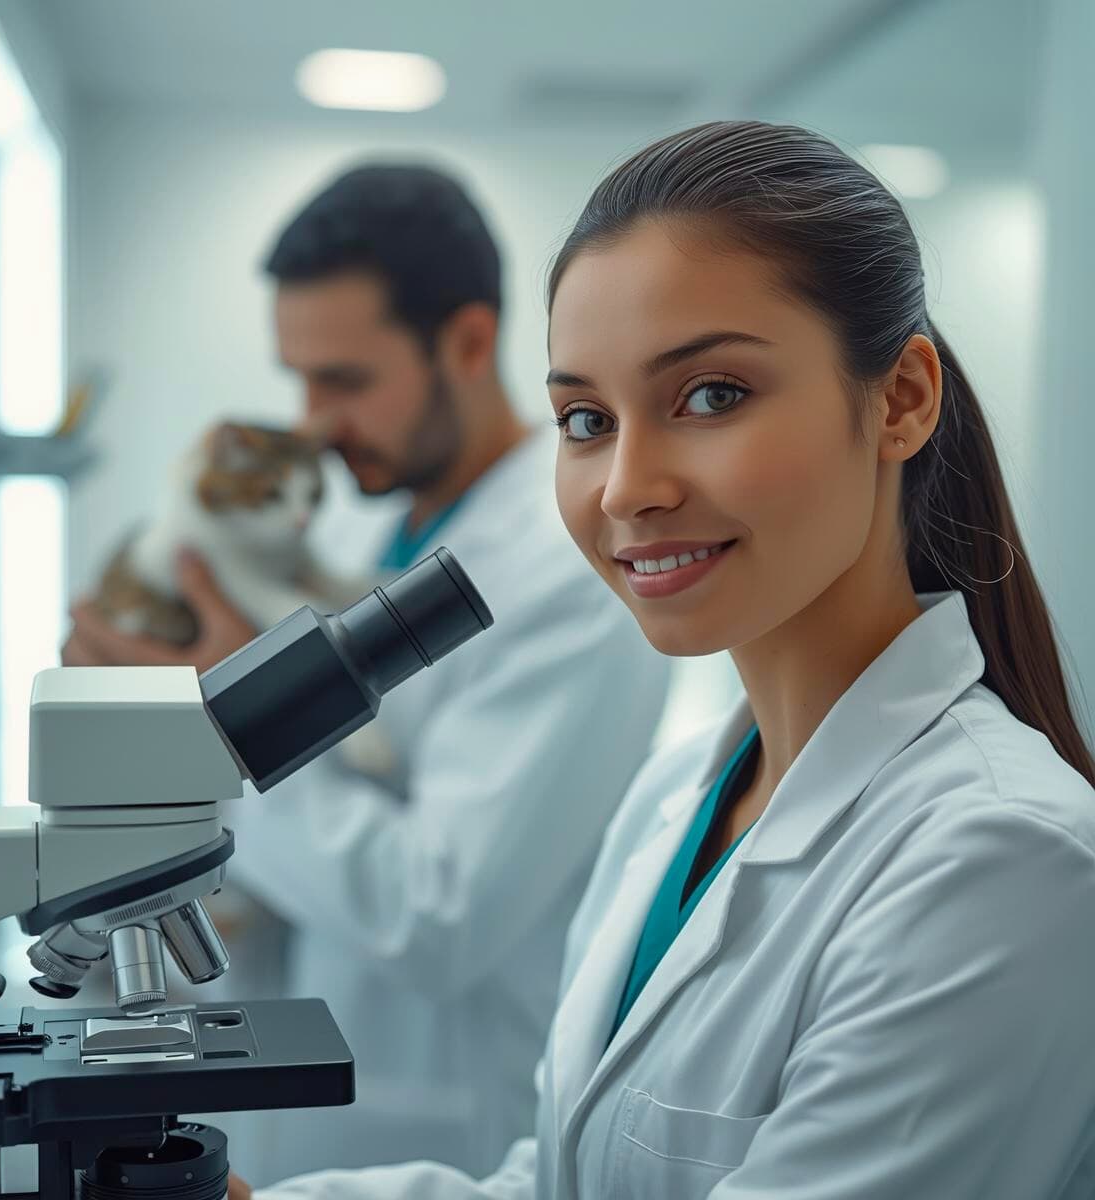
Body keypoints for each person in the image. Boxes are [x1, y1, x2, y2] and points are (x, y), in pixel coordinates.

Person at [231, 121, 1095, 1200]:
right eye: (586, 418)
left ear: (902, 400)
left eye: (711, 396)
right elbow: (558, 1184)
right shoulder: (674, 801)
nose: (624, 487)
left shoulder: (999, 859)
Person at [64, 164, 672, 1183]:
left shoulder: (572, 571)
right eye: (298, 379)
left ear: (470, 343)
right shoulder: (349, 522)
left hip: (446, 1125)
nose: (310, 421)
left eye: (342, 381)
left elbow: (437, 911)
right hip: (294, 1104)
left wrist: (218, 732)